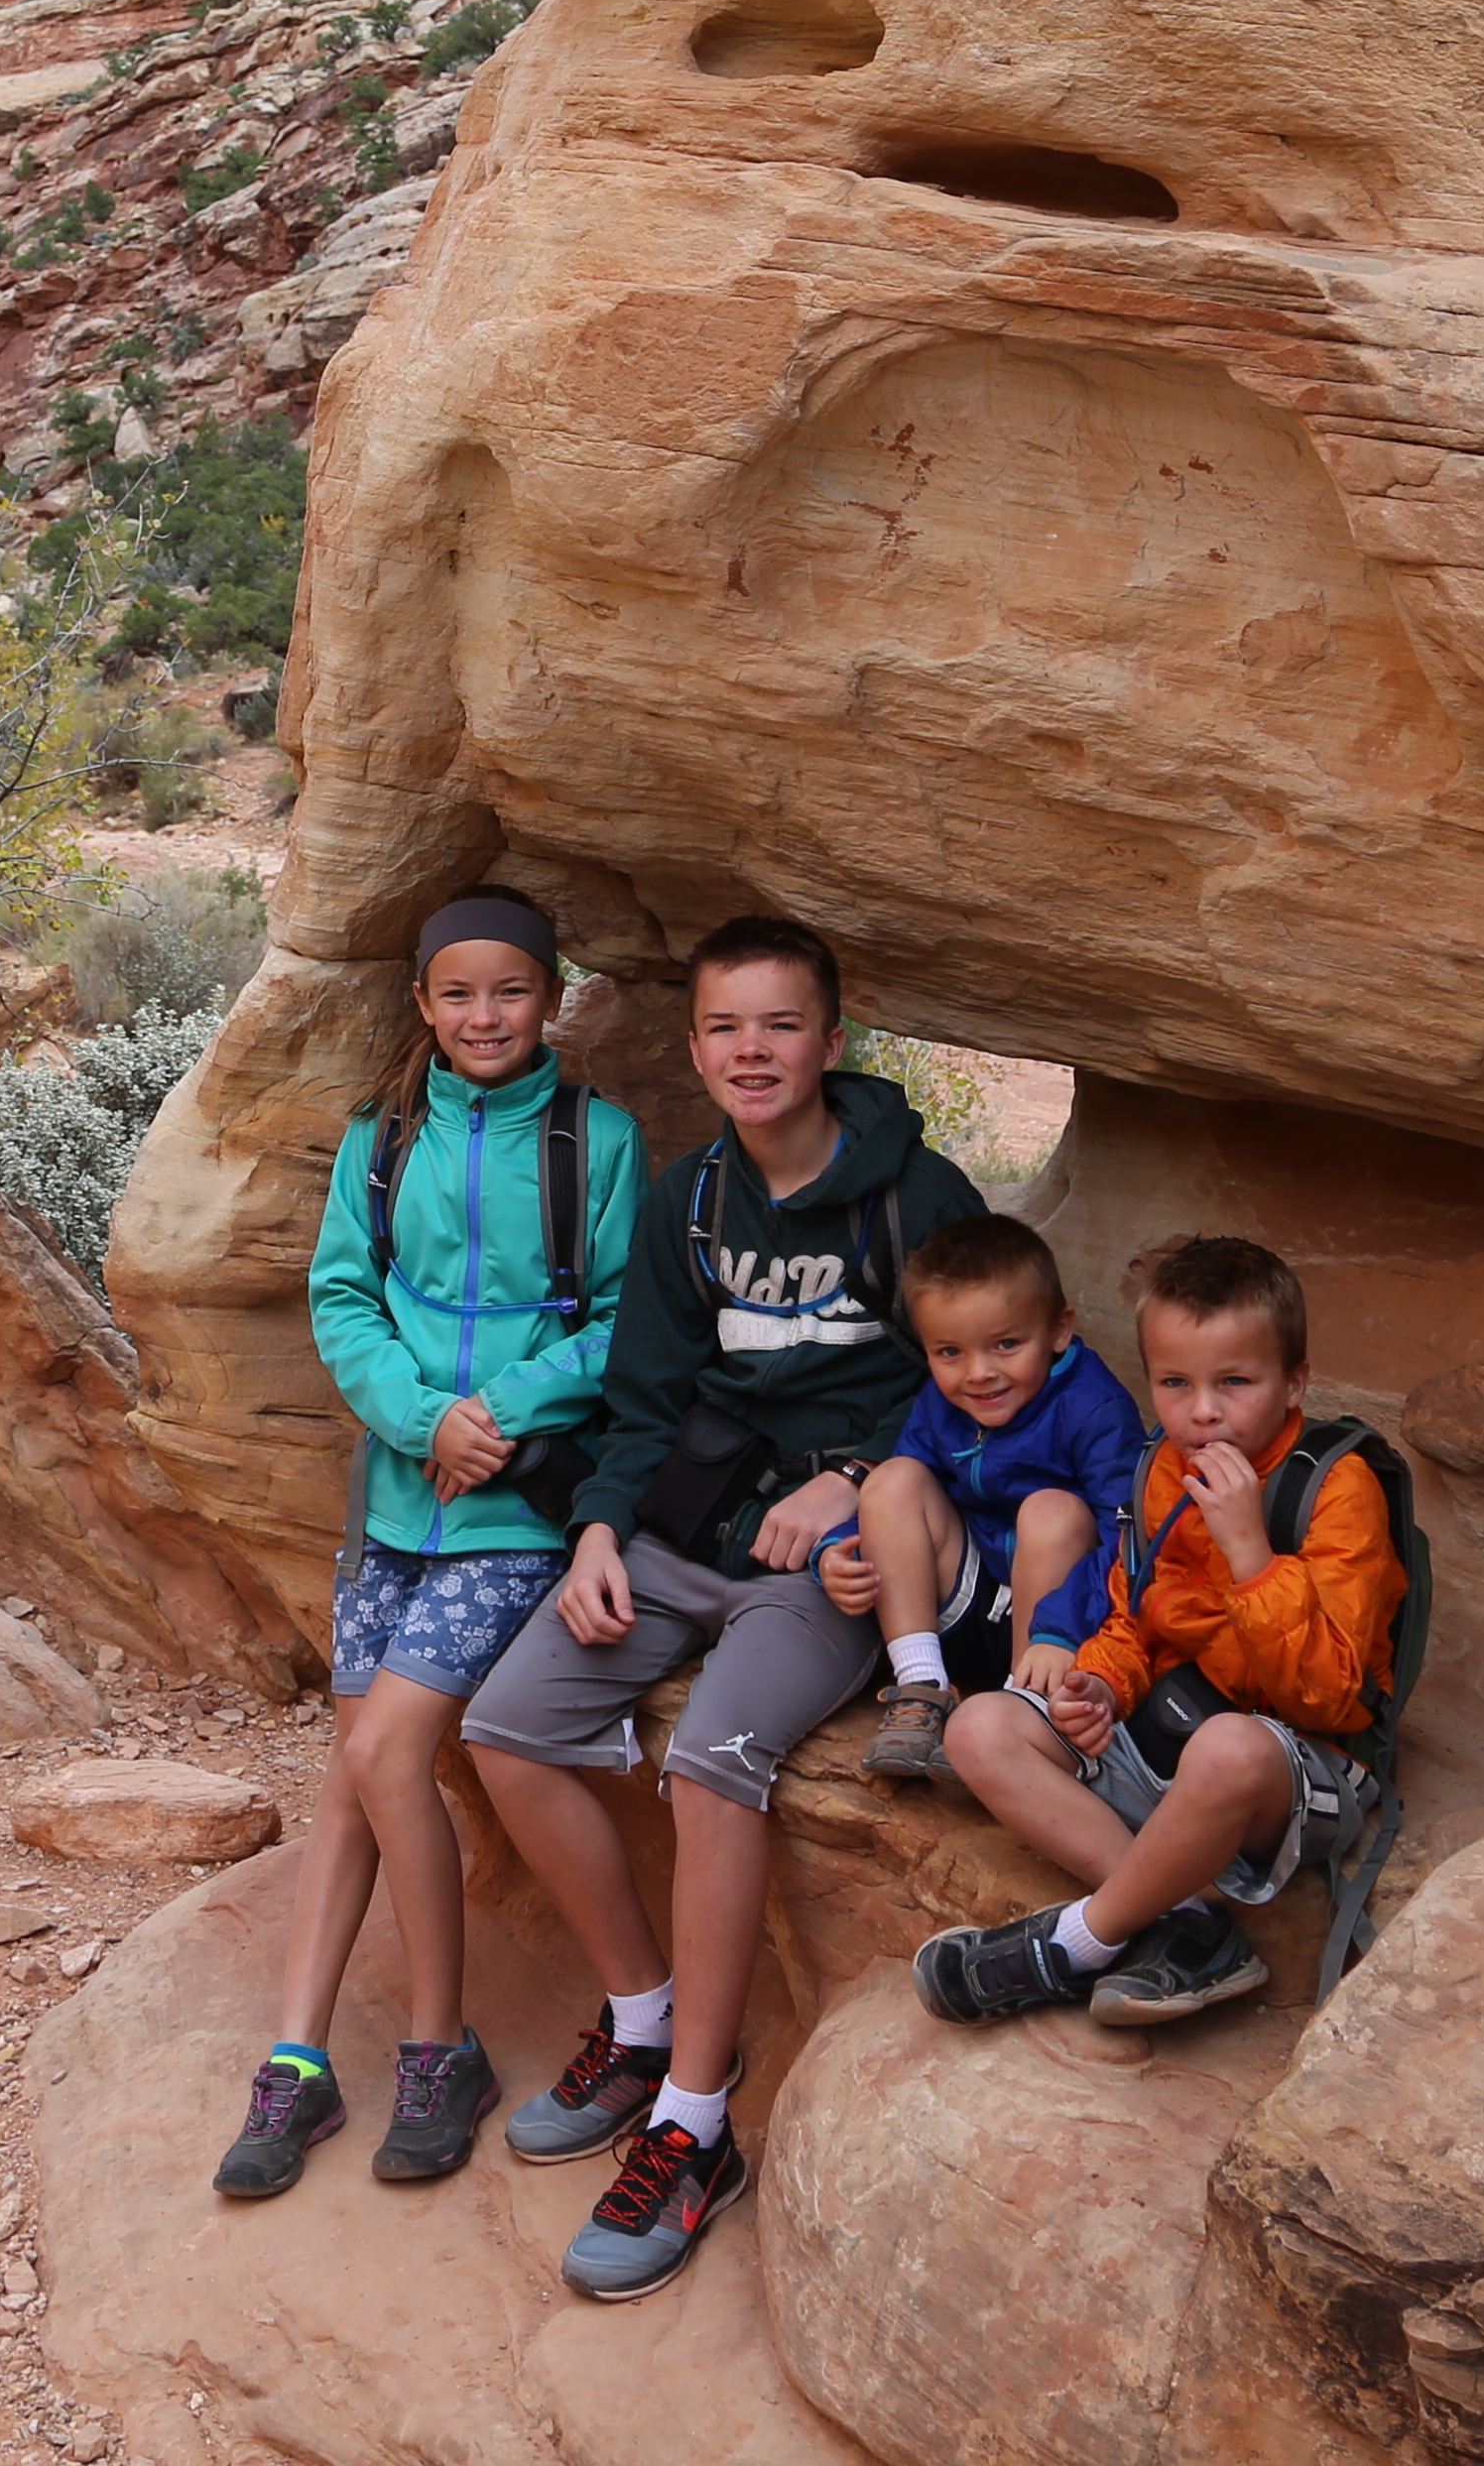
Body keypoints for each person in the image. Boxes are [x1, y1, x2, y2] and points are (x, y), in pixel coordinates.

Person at [457, 914, 987, 2299]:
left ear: (832, 1040)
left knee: (712, 1765)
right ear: (695, 1048)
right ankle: (641, 2020)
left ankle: (695, 2124)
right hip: (694, 1530)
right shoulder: (692, 1201)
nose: (754, 1051)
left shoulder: (917, 1198)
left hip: (832, 1565)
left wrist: (870, 1478)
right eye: (726, 1027)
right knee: (508, 1728)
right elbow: (643, 1400)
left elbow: (983, 1384)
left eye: (781, 1024)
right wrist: (596, 1531)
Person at [214, 886, 643, 2203]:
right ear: (422, 1006)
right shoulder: (382, 1143)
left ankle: (436, 2044)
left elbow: (627, 1315)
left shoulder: (599, 1140)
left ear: (552, 997)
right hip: (396, 1501)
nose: (484, 1016)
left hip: (515, 1508)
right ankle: (296, 2055)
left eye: (509, 990)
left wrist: (495, 1415)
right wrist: (418, 1417)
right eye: (457, 994)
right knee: (354, 1770)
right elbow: (342, 1292)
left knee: (393, 1746)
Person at [908, 1232, 1408, 2029]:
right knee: (979, 1727)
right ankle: (1184, 1922)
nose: (1201, 1410)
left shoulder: (1333, 1489)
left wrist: (1250, 1554)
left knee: (1229, 1747)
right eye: (1175, 1383)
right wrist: (1101, 1682)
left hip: (1293, 1768)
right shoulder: (1164, 1468)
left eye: (1235, 1382)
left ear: (1294, 1383)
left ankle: (1079, 1940)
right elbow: (1134, 1610)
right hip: (1167, 1732)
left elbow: (1331, 1698)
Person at [816, 1212, 1144, 1785]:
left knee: (1052, 1509)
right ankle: (920, 1688)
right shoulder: (943, 1401)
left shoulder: (1094, 1408)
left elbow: (1128, 1541)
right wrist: (839, 1548)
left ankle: (1024, 1717)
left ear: (1060, 1330)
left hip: (1059, 1629)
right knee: (893, 1477)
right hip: (967, 1603)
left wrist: (1061, 1631)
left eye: (1007, 1344)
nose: (979, 1374)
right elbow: (904, 1502)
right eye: (950, 1353)